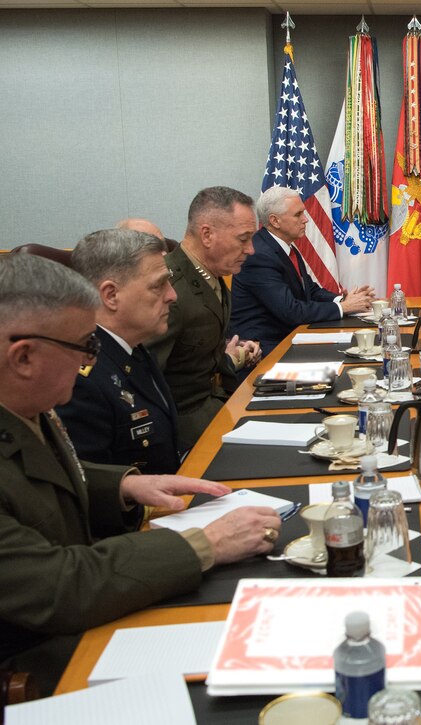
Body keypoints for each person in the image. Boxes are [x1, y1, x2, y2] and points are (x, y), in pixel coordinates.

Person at [0, 253, 282, 694]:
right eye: (84, 347)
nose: (89, 362)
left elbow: (37, 478)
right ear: (23, 358)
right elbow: (60, 586)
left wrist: (125, 484)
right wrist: (204, 543)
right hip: (40, 659)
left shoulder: (26, 405)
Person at [55, 229, 182, 474]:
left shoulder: (132, 348)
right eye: (158, 285)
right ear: (111, 295)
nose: (172, 295)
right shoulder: (81, 379)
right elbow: (88, 486)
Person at [147, 186, 261, 452]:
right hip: (184, 428)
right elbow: (150, 381)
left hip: (217, 406)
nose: (251, 250)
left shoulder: (211, 274)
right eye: (243, 239)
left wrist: (233, 356)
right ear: (207, 234)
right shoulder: (169, 289)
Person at [230, 187, 375, 356]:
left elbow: (309, 290)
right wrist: (343, 307)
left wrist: (342, 299)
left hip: (291, 337)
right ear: (275, 221)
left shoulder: (285, 245)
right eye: (298, 215)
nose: (306, 220)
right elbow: (291, 311)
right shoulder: (259, 255)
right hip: (263, 348)